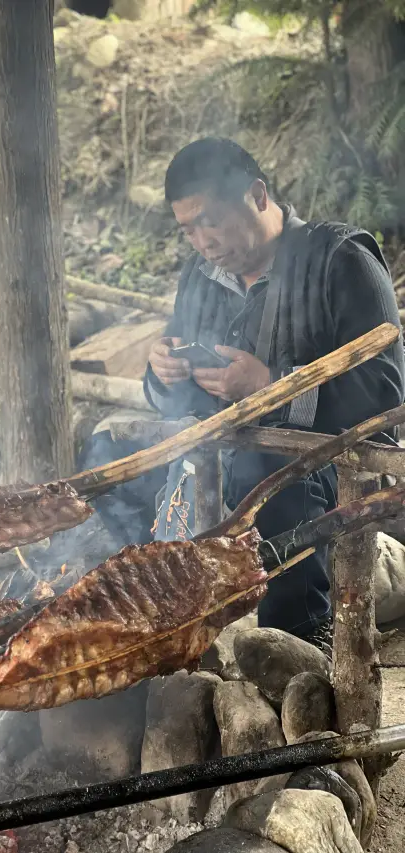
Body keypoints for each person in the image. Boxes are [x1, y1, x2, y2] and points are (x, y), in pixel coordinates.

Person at [140, 136, 405, 653]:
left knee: (275, 477)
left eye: (211, 220)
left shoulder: (341, 258)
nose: (202, 241)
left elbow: (385, 394)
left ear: (258, 195)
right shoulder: (201, 275)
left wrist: (270, 388)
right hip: (224, 467)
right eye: (188, 228)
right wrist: (163, 372)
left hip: (330, 470)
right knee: (123, 467)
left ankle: (301, 645)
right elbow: (175, 394)